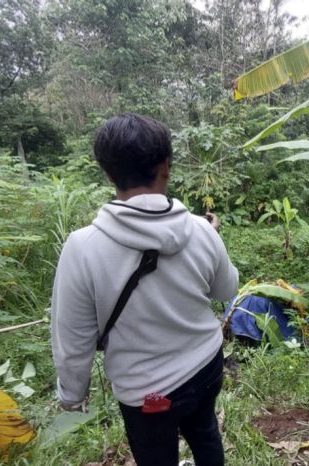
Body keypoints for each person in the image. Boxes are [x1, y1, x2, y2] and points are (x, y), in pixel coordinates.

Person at [51, 113, 239, 466]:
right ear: (166, 167)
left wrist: (72, 396)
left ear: (108, 173)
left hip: (146, 393)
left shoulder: (82, 247)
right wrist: (213, 238)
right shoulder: (200, 230)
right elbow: (226, 289)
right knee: (204, 431)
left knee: (156, 457)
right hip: (206, 364)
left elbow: (72, 337)